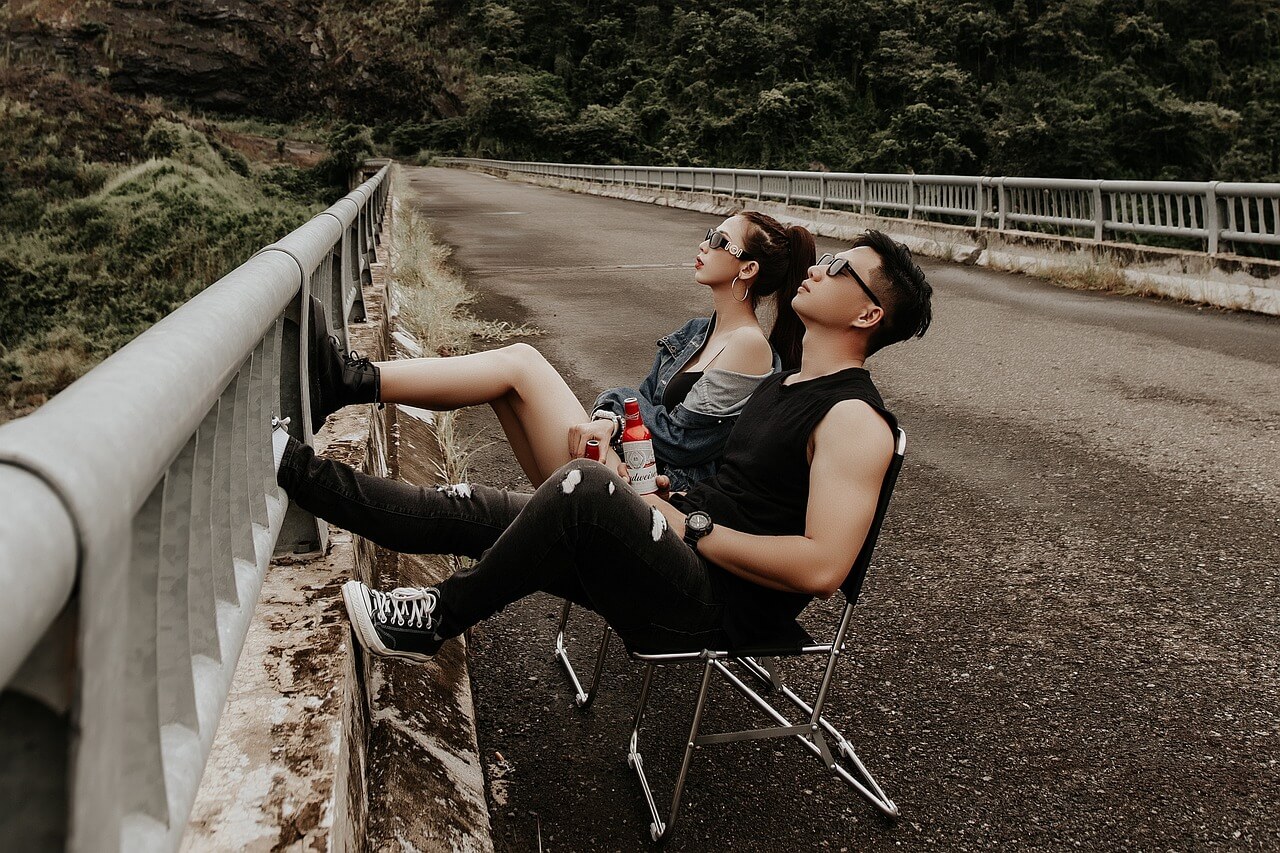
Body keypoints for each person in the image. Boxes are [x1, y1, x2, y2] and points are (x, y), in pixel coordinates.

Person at [274, 230, 932, 660]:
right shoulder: (785, 383)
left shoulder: (854, 419)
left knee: (584, 487)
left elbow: (821, 570)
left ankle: (433, 621)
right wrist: (669, 494)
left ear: (868, 314)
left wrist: (692, 524)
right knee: (479, 507)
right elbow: (744, 493)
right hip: (678, 552)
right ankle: (290, 467)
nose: (818, 268)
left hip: (715, 605)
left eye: (841, 269)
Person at [310, 211, 815, 491]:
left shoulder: (749, 347)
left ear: (747, 269)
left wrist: (613, 422)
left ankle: (351, 380)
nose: (703, 244)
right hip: (616, 463)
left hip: (649, 492)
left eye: (719, 240)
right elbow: (639, 398)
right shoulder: (697, 333)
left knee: (521, 363)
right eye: (707, 234)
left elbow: (683, 443)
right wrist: (608, 416)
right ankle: (351, 382)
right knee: (506, 384)